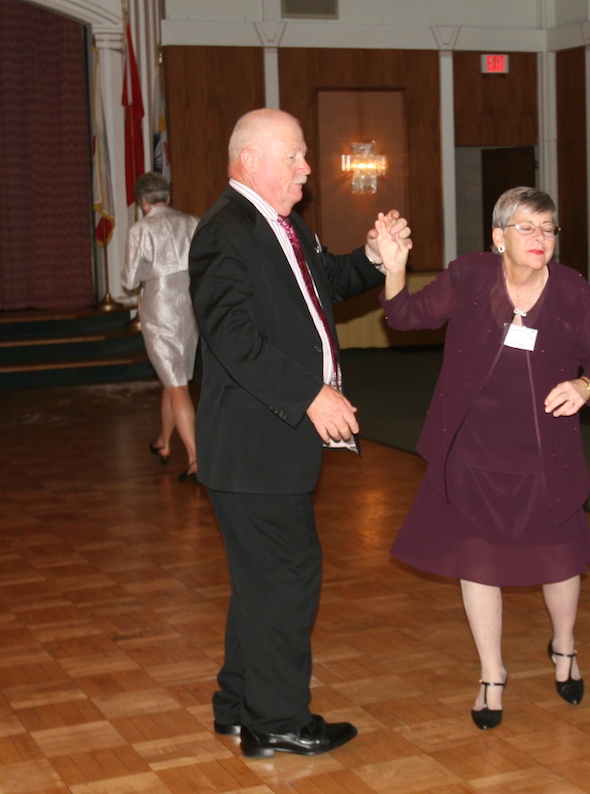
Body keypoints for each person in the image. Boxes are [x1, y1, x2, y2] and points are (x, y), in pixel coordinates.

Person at [188, 108, 411, 758]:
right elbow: (231, 336)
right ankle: (276, 720)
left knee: (263, 579)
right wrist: (309, 393)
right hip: (252, 449)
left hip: (265, 449)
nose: (308, 170)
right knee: (288, 575)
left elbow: (327, 285)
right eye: (296, 157)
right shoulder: (225, 232)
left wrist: (374, 258)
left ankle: (238, 706)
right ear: (251, 159)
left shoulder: (282, 227)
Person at [372, 186, 590, 730]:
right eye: (526, 228)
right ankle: (491, 672)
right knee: (477, 560)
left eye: (548, 229)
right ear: (498, 236)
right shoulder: (471, 276)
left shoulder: (573, 291)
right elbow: (408, 316)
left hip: (544, 449)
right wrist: (394, 269)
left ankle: (566, 646)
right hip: (473, 446)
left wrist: (583, 387)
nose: (540, 239)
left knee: (560, 556)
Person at [122, 172, 200, 482]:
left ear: (142, 201)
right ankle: (164, 442)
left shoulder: (141, 229)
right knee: (173, 378)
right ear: (167, 197)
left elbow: (129, 281)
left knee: (177, 384)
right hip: (189, 307)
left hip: (160, 308)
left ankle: (196, 458)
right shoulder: (193, 222)